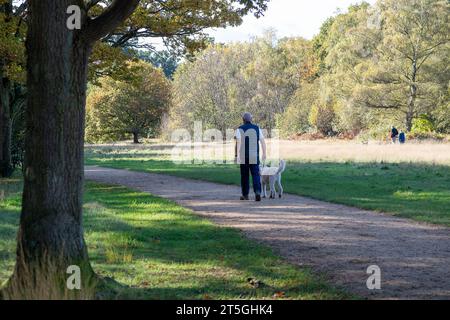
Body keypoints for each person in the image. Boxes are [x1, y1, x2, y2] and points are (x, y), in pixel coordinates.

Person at [235, 112, 267, 202]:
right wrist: (264, 153)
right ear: (251, 119)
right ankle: (257, 192)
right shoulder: (257, 128)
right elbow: (262, 141)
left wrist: (236, 155)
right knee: (256, 175)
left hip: (243, 156)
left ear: (243, 120)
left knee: (244, 176)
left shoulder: (240, 129)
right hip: (254, 155)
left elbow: (238, 143)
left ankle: (245, 195)